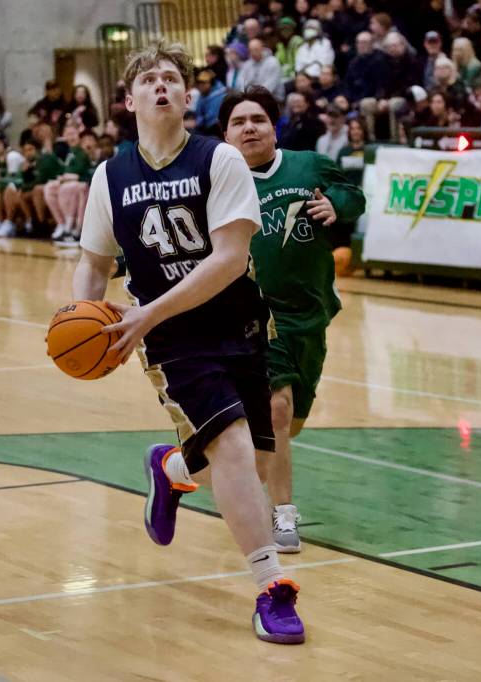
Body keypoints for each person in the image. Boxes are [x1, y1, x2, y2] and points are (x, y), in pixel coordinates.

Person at [72, 42, 305, 644]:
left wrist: (144, 310)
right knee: (230, 451)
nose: (160, 86)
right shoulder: (109, 176)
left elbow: (229, 261)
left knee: (251, 460)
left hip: (239, 322)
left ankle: (172, 467)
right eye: (148, 80)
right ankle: (272, 588)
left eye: (171, 78)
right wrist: (86, 318)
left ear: (186, 96)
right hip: (173, 338)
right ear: (129, 101)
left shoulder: (220, 159)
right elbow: (94, 264)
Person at [221, 86, 365, 554]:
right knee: (277, 410)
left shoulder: (308, 166)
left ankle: (187, 468)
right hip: (256, 314)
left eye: (257, 119)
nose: (249, 127)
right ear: (226, 134)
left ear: (273, 126)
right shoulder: (219, 183)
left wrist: (337, 206)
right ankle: (283, 516)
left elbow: (354, 195)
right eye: (239, 121)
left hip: (312, 315)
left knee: (287, 425)